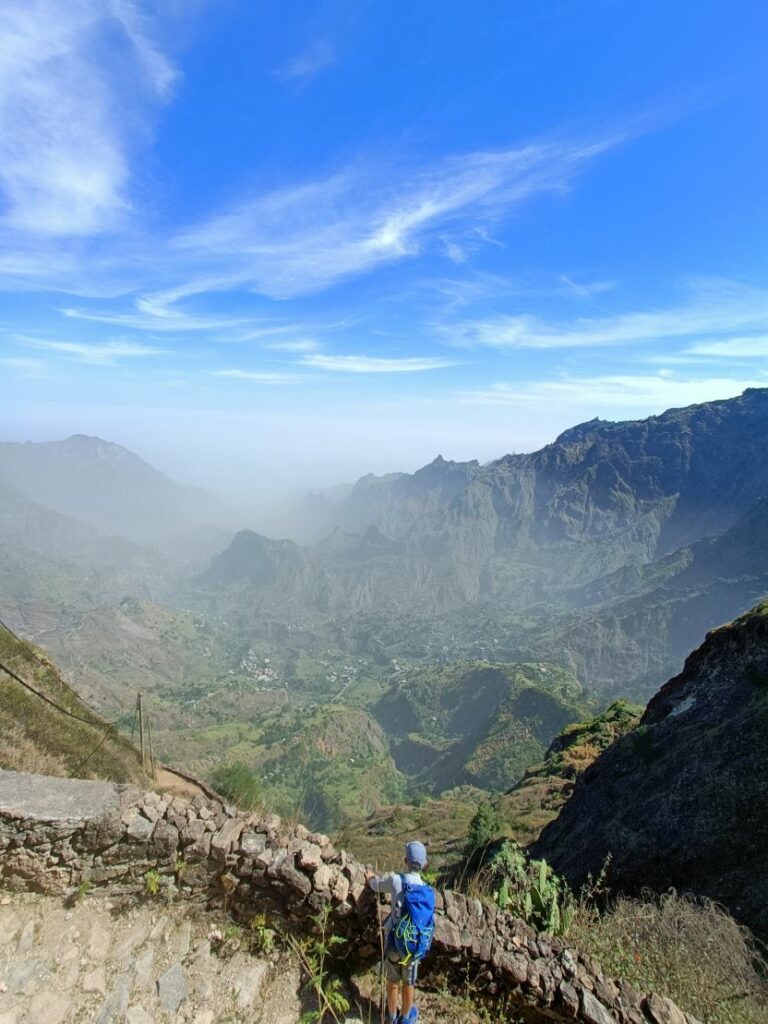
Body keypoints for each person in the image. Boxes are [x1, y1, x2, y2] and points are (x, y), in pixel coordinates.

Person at [365, 840, 431, 1024]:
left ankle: (391, 1017)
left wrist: (370, 877)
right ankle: (406, 1018)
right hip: (413, 947)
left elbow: (375, 885)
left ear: (405, 861)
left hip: (394, 943)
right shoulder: (426, 890)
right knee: (409, 983)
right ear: (424, 864)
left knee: (392, 981)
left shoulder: (396, 881)